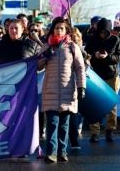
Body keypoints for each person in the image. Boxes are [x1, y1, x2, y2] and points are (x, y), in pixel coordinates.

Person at [38, 17, 86, 163]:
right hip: (50, 91)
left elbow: (80, 68)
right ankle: (51, 153)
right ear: (52, 30)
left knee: (64, 125)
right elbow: (38, 67)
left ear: (66, 31)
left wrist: (81, 86)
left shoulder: (72, 47)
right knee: (52, 124)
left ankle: (62, 152)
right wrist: (44, 57)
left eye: (62, 28)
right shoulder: (46, 46)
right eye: (56, 28)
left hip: (67, 90)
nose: (59, 30)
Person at [85, 17, 120, 143]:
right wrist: (94, 56)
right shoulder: (92, 40)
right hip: (96, 76)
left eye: (105, 32)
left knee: (112, 105)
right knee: (93, 104)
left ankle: (109, 130)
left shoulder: (115, 39)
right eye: (101, 32)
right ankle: (95, 132)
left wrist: (108, 57)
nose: (102, 34)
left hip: (112, 75)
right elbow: (86, 54)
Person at [69, 27, 91, 150]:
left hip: (76, 83)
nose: (73, 37)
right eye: (71, 35)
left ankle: (74, 138)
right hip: (64, 83)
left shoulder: (82, 51)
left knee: (74, 112)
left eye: (76, 35)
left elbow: (84, 66)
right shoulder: (63, 48)